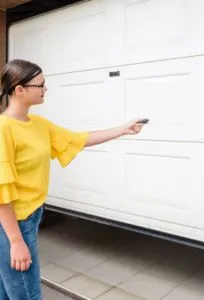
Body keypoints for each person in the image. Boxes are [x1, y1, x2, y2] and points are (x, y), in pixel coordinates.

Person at [0, 59, 146, 300]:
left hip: (31, 216)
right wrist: (16, 241)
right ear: (19, 90)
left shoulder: (38, 124)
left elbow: (76, 139)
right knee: (27, 294)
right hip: (12, 224)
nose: (45, 89)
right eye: (41, 84)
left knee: (8, 292)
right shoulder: (4, 129)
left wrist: (122, 129)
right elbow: (1, 193)